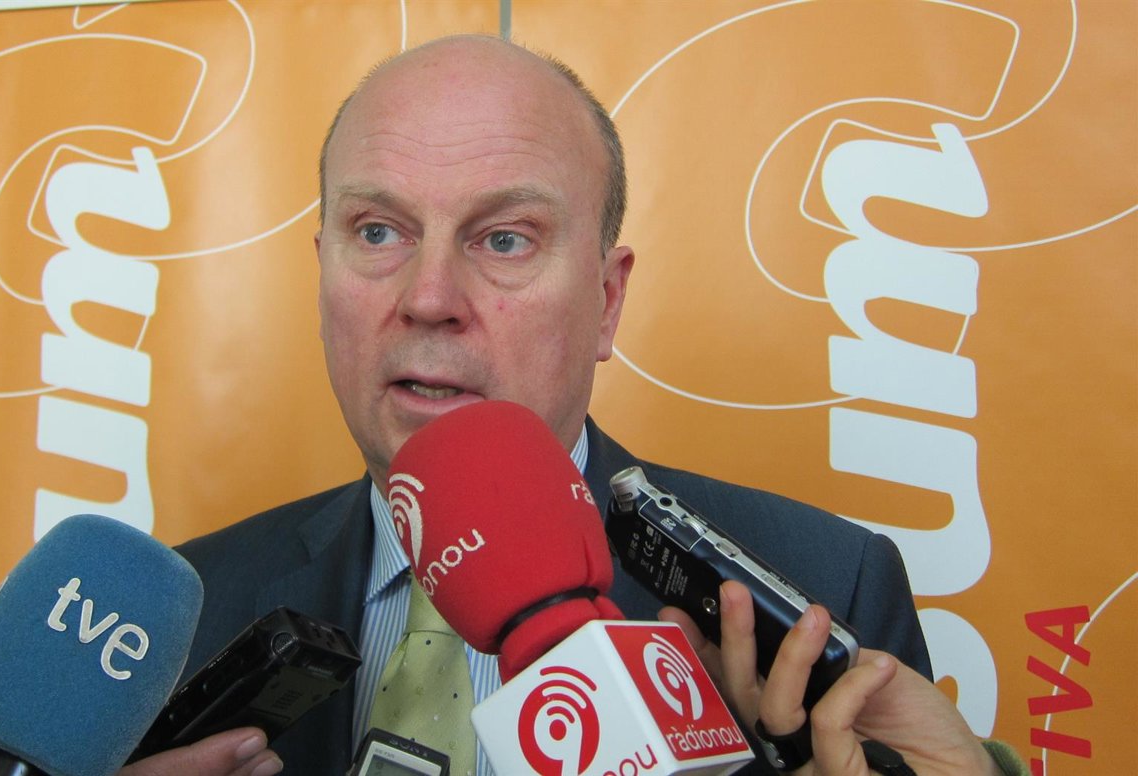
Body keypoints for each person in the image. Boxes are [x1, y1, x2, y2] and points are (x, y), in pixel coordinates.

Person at [120, 34, 1016, 776]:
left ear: (606, 301)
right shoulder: (180, 617)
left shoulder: (827, 586)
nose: (428, 298)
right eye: (379, 231)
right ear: (322, 275)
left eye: (505, 239)